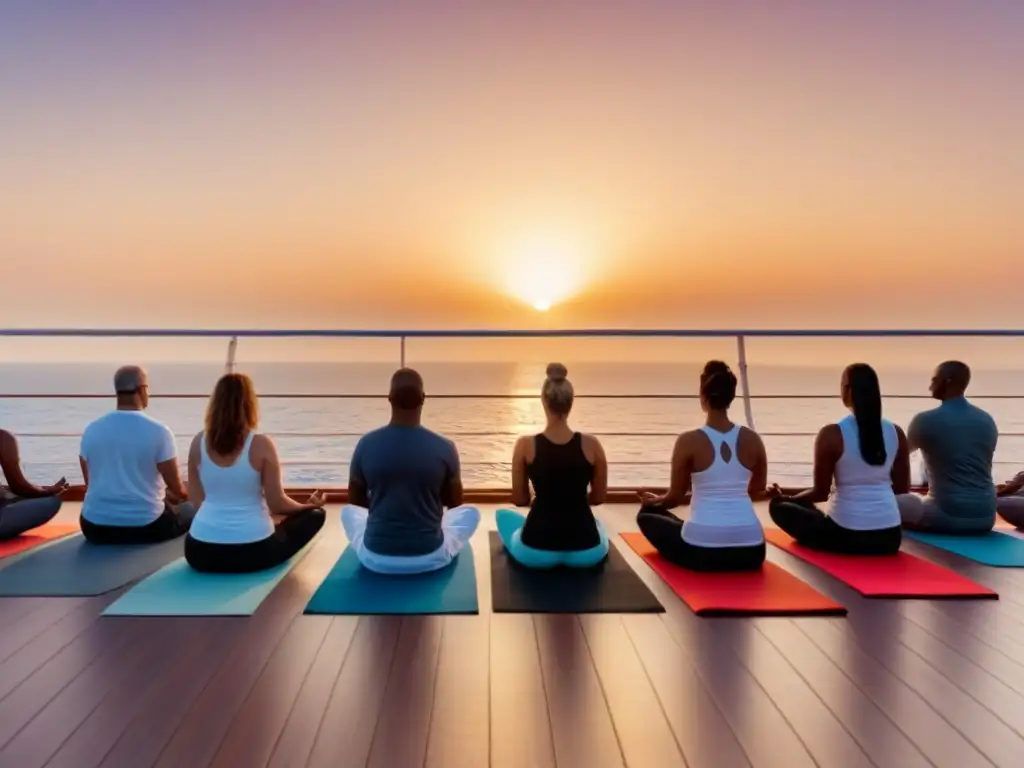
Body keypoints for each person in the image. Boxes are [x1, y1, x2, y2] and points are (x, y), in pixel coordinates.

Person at [342, 368, 480, 574]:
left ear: (389, 398)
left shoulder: (366, 444)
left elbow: (355, 500)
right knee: (471, 514)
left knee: (347, 513)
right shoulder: (445, 447)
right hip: (430, 556)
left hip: (375, 558)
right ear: (423, 398)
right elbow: (455, 505)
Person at [183, 373, 326, 573]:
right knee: (316, 515)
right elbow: (277, 503)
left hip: (200, 552)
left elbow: (196, 501)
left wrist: (219, 528)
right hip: (253, 552)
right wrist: (307, 506)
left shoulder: (197, 443)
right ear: (250, 404)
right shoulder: (261, 444)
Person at [636, 361, 767, 571]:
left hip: (704, 552)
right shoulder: (753, 439)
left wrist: (653, 502)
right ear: (730, 397)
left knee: (646, 515)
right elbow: (756, 490)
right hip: (752, 551)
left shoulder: (688, 441)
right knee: (672, 518)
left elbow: (675, 498)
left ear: (702, 396)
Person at [768, 364, 910, 554]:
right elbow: (902, 488)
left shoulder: (832, 434)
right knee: (807, 509)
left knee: (778, 506)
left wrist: (790, 499)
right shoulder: (896, 432)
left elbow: (820, 493)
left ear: (848, 391)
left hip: (845, 536)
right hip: (890, 537)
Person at [496, 363, 609, 568]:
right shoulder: (593, 445)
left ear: (543, 401)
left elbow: (520, 500)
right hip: (586, 548)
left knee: (503, 517)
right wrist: (572, 499)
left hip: (536, 548)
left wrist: (540, 496)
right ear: (571, 402)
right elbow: (599, 497)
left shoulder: (524, 445)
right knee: (600, 527)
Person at [78, 366, 196, 544]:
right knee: (190, 508)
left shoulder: (91, 430)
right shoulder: (159, 431)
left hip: (94, 527)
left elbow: (91, 484)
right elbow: (178, 490)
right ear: (142, 390)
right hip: (147, 527)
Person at [896, 361, 998, 534]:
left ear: (948, 381)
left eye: (935, 380)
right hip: (986, 516)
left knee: (879, 504)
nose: (930, 386)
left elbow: (898, 458)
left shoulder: (925, 420)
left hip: (946, 515)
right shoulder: (987, 420)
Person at [0, 429, 68, 539]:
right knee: (51, 501)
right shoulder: (2, 437)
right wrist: (48, 491)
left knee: (10, 494)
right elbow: (20, 488)